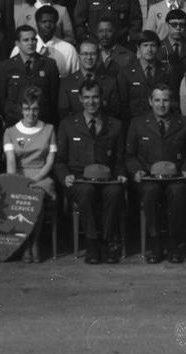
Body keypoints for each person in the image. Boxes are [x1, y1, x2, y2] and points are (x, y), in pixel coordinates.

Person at [55, 80, 126, 264]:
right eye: (86, 97)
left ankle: (108, 241)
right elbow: (60, 160)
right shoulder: (68, 125)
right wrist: (65, 177)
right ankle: (92, 243)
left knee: (115, 192)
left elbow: (119, 159)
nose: (91, 101)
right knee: (87, 192)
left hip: (107, 179)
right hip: (79, 180)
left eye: (95, 97)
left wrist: (120, 173)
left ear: (102, 98)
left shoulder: (115, 125)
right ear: (80, 99)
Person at [127, 84, 186, 264]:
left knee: (178, 192)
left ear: (172, 102)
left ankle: (174, 244)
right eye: (157, 100)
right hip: (149, 177)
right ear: (150, 101)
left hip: (176, 177)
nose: (161, 104)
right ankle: (156, 244)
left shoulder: (185, 123)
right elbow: (130, 155)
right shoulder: (138, 123)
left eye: (165, 100)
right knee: (150, 193)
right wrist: (136, 170)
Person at [4, 87, 58, 263]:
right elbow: (11, 162)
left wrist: (35, 179)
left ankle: (34, 243)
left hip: (41, 176)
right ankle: (26, 244)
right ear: (21, 109)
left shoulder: (49, 129)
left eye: (34, 108)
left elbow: (49, 161)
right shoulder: (10, 132)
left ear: (39, 109)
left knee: (37, 195)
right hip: (19, 175)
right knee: (23, 196)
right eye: (27, 108)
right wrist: (15, 182)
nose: (31, 113)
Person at [0, 25, 60, 127]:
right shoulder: (6, 67)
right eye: (26, 40)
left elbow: (54, 97)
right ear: (17, 43)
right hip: (14, 123)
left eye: (33, 39)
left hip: (42, 122)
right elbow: (1, 98)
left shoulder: (49, 65)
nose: (31, 43)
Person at [10, 5, 79, 78]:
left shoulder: (68, 50)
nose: (47, 25)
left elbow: (75, 79)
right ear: (37, 23)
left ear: (56, 24)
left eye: (51, 22)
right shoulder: (20, 48)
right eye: (44, 22)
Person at [117, 30, 170, 124]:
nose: (149, 49)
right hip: (134, 123)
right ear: (138, 48)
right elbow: (123, 103)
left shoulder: (166, 71)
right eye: (145, 45)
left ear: (157, 48)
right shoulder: (126, 72)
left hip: (159, 123)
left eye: (153, 45)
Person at [59, 39, 120, 120]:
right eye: (84, 54)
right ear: (79, 56)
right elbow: (64, 113)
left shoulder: (110, 82)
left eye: (93, 54)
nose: (89, 57)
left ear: (98, 56)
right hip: (75, 130)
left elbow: (114, 112)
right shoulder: (67, 82)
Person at [156, 9, 186, 93]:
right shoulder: (158, 48)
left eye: (182, 25)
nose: (178, 28)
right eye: (174, 24)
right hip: (164, 93)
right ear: (167, 25)